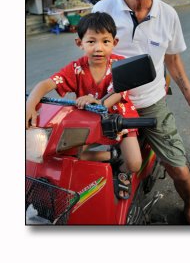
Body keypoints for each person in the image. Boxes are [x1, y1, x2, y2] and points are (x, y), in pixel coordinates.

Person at [92, 0, 190, 224]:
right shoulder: (102, 10)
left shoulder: (168, 15)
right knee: (87, 162)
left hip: (151, 104)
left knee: (180, 170)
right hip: (110, 105)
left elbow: (172, 59)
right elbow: (90, 59)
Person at [26, 12, 142, 199]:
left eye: (105, 41)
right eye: (91, 41)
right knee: (68, 157)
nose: (99, 48)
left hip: (120, 121)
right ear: (79, 44)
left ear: (115, 42)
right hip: (89, 122)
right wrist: (29, 105)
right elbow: (46, 84)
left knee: (135, 163)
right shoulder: (76, 69)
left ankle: (121, 170)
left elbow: (119, 93)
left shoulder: (119, 64)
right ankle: (112, 155)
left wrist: (99, 102)